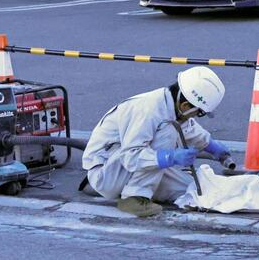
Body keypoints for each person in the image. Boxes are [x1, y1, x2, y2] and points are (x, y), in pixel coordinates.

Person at [81, 67, 233, 217]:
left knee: (191, 190)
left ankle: (143, 190)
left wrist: (212, 146)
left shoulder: (170, 106)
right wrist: (169, 157)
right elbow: (130, 156)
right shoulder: (148, 110)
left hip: (126, 170)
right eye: (199, 112)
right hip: (106, 173)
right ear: (185, 106)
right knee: (168, 131)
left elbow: (189, 128)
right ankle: (134, 197)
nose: (197, 116)